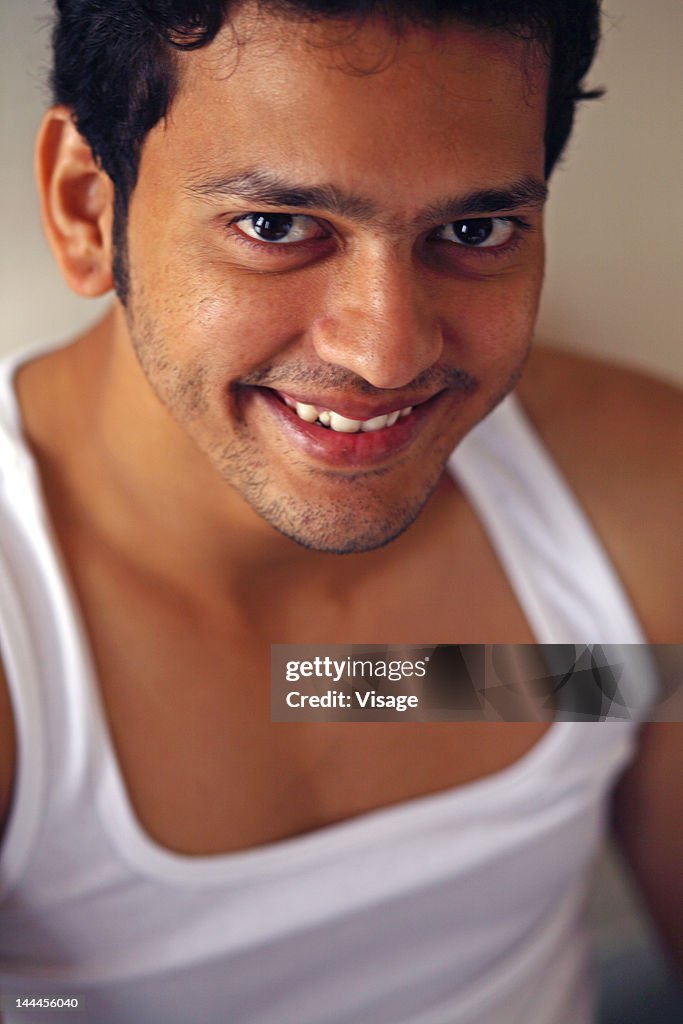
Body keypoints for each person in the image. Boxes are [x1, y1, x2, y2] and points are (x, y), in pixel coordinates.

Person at [0, 1, 681, 1021]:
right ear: (87, 205)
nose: (388, 354)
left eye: (474, 229)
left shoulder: (630, 490)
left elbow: (331, 687)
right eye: (276, 227)